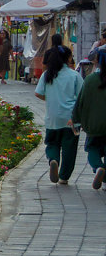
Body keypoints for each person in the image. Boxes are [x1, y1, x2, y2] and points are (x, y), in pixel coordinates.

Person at [35, 38, 83, 185]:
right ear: (66, 59)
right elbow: (82, 97)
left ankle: (54, 160)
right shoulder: (74, 75)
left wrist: (50, 99)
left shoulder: (47, 75)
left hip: (53, 117)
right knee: (69, 149)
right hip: (71, 118)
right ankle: (64, 177)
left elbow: (38, 93)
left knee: (52, 143)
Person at [71, 49, 106, 190]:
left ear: (98, 62)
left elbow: (81, 102)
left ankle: (98, 167)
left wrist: (76, 120)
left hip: (94, 124)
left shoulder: (90, 80)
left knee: (92, 148)